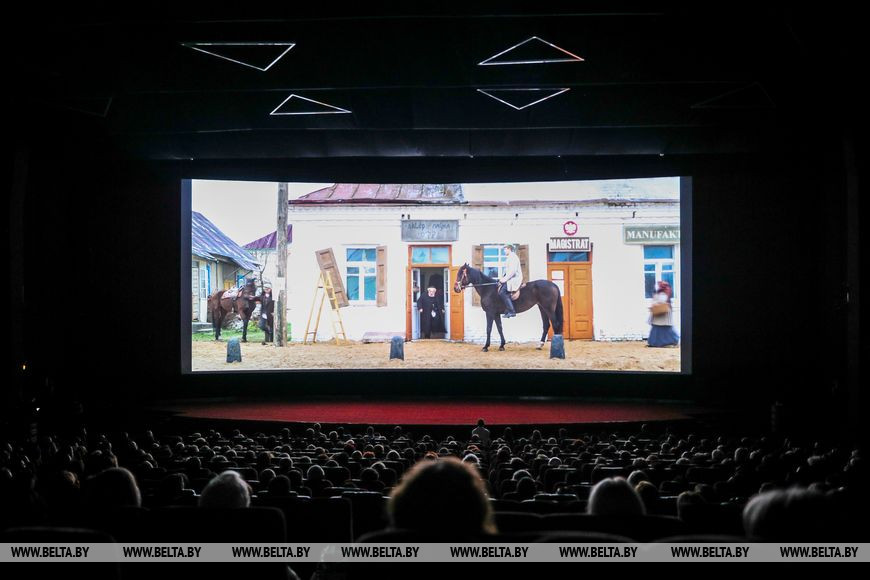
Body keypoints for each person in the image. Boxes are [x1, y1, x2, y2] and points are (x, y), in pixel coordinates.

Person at [647, 280, 680, 347]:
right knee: (657, 329)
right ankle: (655, 343)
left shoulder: (663, 293)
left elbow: (661, 302)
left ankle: (671, 342)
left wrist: (655, 303)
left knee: (665, 329)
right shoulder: (659, 293)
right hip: (659, 314)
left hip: (663, 314)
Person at [498, 244, 522, 318]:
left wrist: (504, 280)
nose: (504, 251)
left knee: (502, 292)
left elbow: (512, 271)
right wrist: (501, 278)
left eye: (505, 249)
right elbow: (506, 271)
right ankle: (506, 309)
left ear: (509, 249)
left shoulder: (513, 257)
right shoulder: (509, 258)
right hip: (510, 279)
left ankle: (512, 311)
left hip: (514, 279)